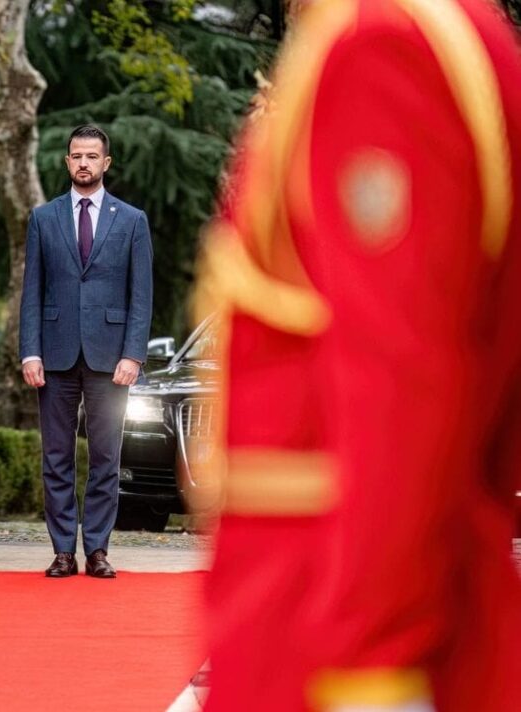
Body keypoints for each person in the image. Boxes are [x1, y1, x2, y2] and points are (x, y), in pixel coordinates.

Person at [194, 0, 521, 709]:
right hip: (351, 598)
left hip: (321, 620)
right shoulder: (453, 31)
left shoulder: (382, 45)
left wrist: (375, 670)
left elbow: (402, 378)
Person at [19, 124, 153, 578]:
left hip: (110, 357)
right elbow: (32, 292)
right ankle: (62, 550)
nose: (83, 163)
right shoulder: (43, 218)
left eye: (91, 156)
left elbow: (141, 295)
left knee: (105, 459)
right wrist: (29, 352)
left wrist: (134, 354)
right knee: (56, 457)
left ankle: (96, 549)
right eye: (76, 155)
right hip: (54, 356)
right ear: (66, 162)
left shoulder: (132, 220)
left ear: (105, 163)